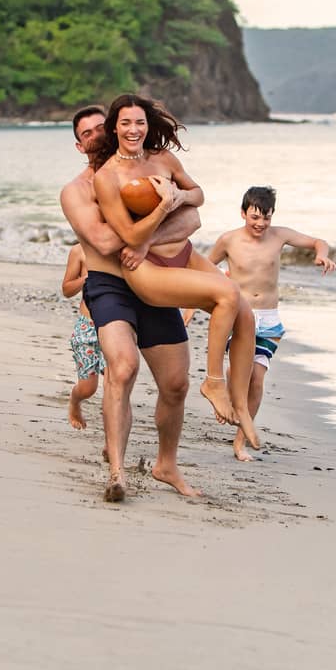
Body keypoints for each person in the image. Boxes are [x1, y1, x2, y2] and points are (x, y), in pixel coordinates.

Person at [89, 93, 259, 449]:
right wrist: (163, 206)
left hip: (179, 253)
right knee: (226, 293)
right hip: (145, 270)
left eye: (139, 122)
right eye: (125, 123)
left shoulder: (162, 158)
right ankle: (213, 380)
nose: (133, 129)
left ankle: (240, 404)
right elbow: (131, 236)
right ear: (114, 128)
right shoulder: (107, 178)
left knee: (243, 310)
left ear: (147, 125)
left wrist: (178, 198)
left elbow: (197, 195)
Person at [59, 104, 207, 502]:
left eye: (98, 130)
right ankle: (117, 473)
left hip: (153, 279)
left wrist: (149, 239)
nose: (95, 137)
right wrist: (157, 223)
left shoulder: (138, 174)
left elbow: (193, 216)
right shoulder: (77, 191)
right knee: (122, 368)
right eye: (86, 134)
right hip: (109, 284)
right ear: (79, 144)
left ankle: (166, 464)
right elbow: (105, 243)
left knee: (176, 383)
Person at [208, 186, 336, 460]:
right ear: (243, 213)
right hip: (239, 318)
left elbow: (318, 241)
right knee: (239, 375)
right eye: (255, 217)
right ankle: (230, 393)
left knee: (256, 380)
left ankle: (240, 441)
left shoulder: (279, 235)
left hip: (268, 320)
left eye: (266, 218)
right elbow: (205, 268)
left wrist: (321, 254)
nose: (260, 224)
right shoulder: (228, 240)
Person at [61, 244, 104, 429]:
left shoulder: (123, 248)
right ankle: (75, 401)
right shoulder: (79, 251)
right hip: (87, 326)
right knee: (88, 388)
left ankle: (112, 440)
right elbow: (67, 289)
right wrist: (87, 279)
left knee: (116, 384)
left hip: (117, 326)